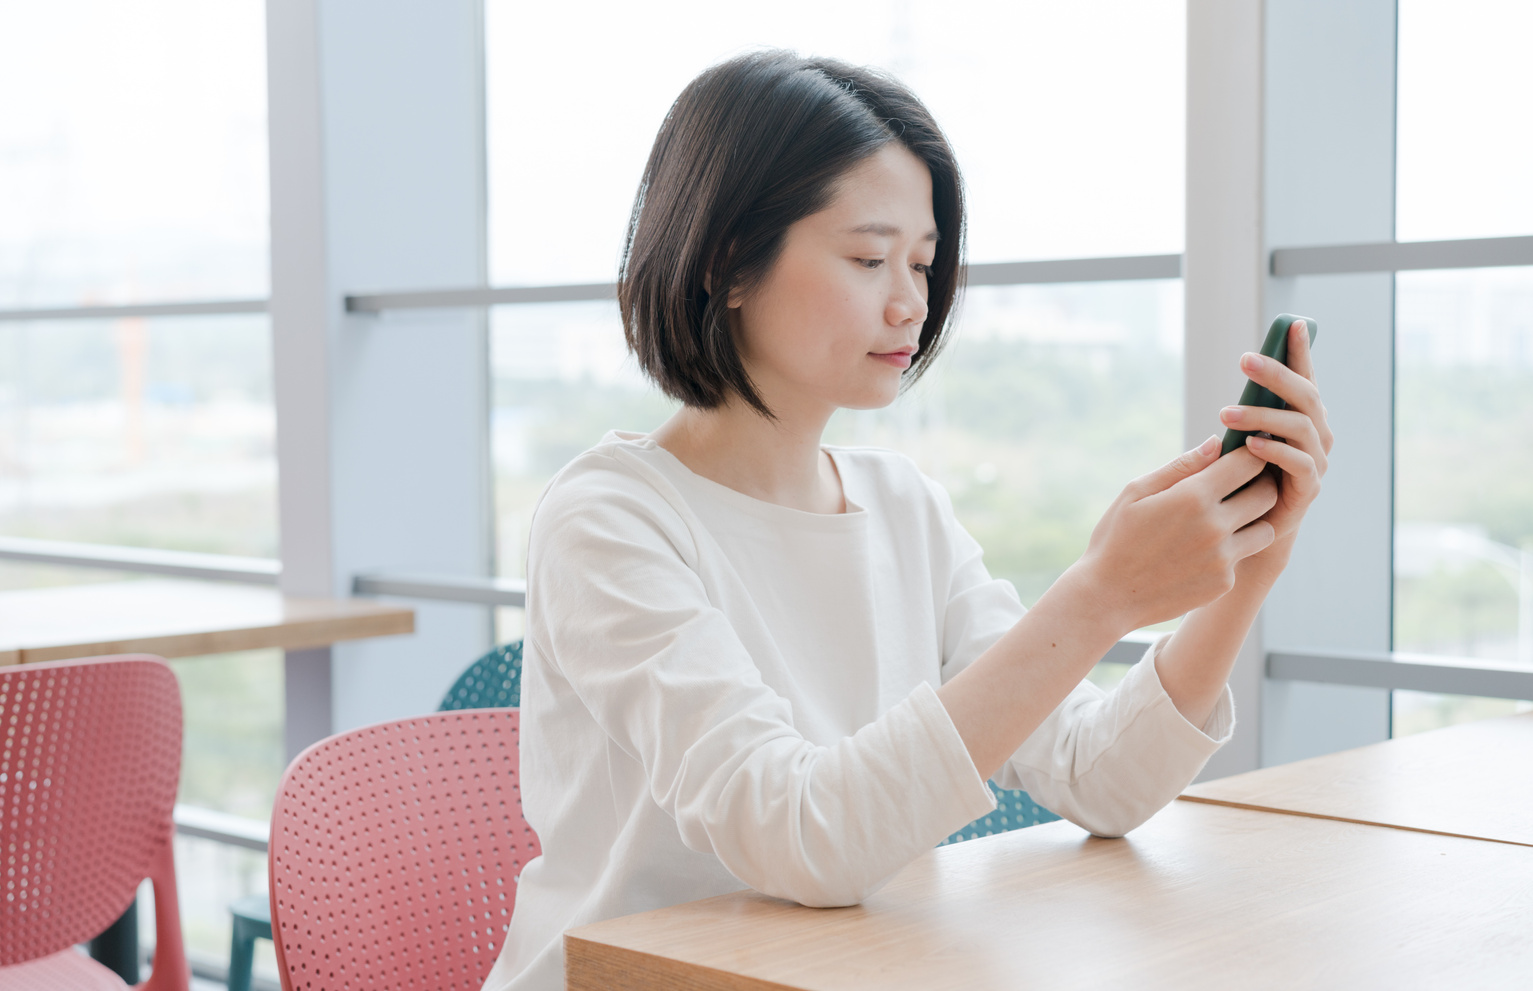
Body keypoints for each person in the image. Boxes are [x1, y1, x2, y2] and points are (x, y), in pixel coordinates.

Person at [481, 50, 1332, 991]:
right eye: (866, 258)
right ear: (726, 262)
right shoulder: (609, 518)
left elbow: (1102, 778)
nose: (911, 303)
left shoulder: (900, 507)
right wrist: (1099, 596)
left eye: (923, 263)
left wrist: (1247, 561)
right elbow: (799, 837)